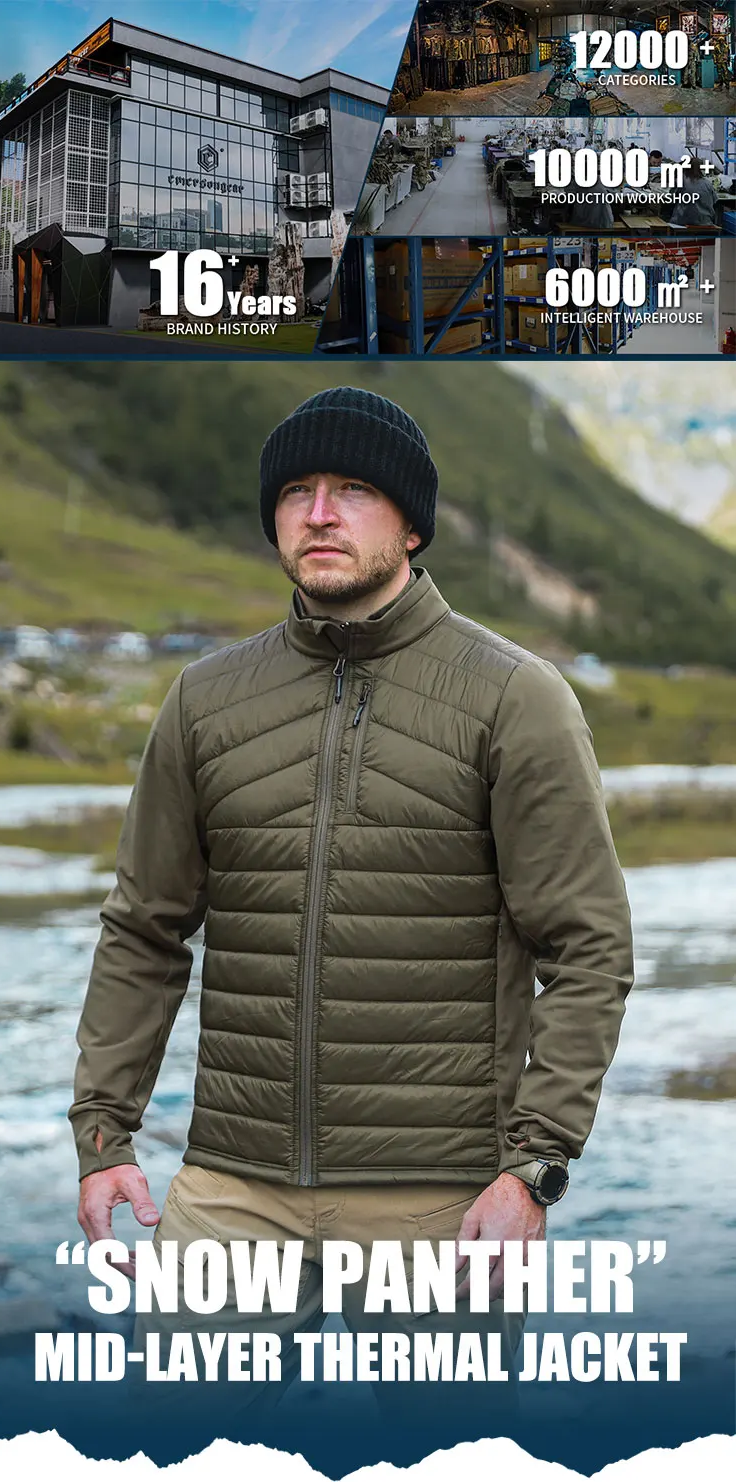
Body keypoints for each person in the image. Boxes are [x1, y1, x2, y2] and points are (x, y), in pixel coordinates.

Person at [69, 387, 634, 1450]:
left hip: (440, 1199)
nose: (319, 513)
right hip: (231, 1189)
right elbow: (144, 929)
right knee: (159, 1458)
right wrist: (104, 1135)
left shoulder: (514, 698)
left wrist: (534, 1169)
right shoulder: (205, 701)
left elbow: (588, 948)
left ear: (411, 525)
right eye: (296, 492)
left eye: (353, 490)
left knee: (454, 1465)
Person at [669, 156, 718, 226]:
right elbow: (715, 201)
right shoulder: (708, 183)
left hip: (683, 222)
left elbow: (671, 198)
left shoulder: (681, 181)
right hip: (705, 222)